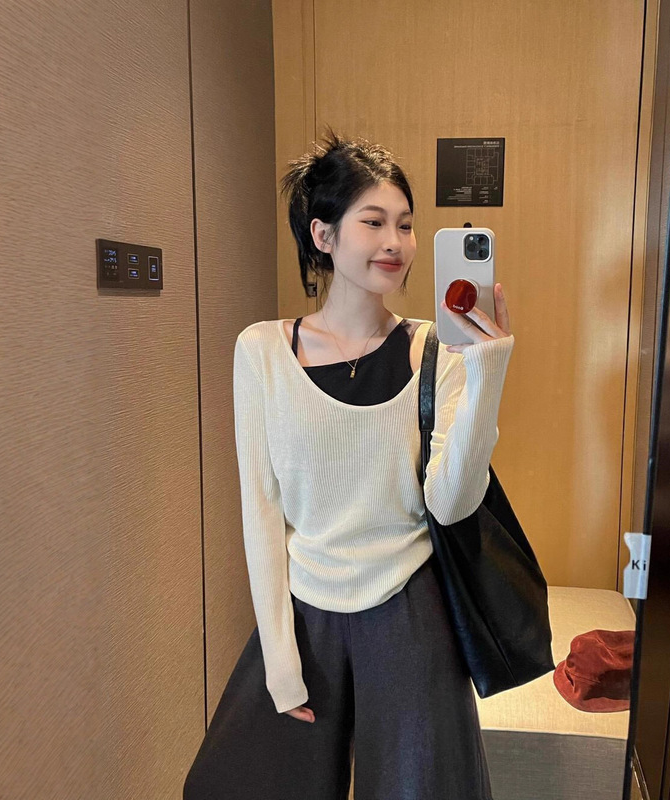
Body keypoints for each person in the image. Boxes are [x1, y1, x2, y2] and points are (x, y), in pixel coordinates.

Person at [210, 130, 513, 799]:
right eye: (373, 222)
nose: (395, 243)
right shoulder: (261, 351)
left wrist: (485, 374)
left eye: (405, 224)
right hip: (307, 609)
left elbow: (452, 503)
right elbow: (261, 509)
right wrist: (279, 657)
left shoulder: (436, 351)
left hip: (410, 611)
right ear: (323, 236)